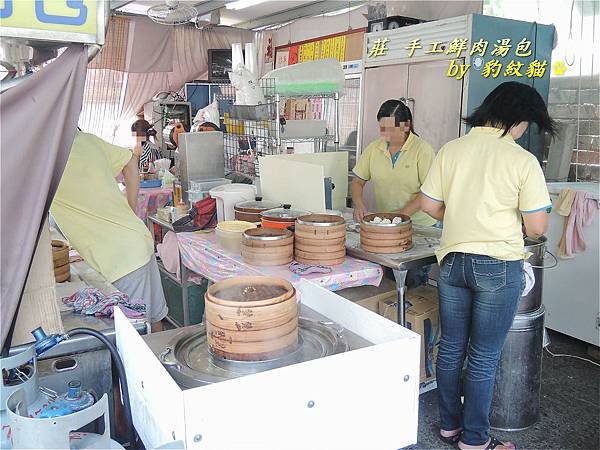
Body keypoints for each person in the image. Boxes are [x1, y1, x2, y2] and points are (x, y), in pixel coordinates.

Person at [419, 81, 557, 450]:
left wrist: (462, 215)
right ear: (517, 119)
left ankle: (450, 427)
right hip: (497, 266)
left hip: (451, 263)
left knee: (450, 348)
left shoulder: (452, 149)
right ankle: (476, 440)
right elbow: (537, 227)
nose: (526, 130)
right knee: (482, 357)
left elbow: (429, 206)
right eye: (527, 122)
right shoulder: (521, 160)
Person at [51, 130, 168, 332]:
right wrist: (131, 209)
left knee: (134, 333)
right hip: (137, 240)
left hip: (119, 259)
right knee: (153, 322)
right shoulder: (87, 140)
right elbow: (131, 161)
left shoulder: (45, 159)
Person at [351, 99, 437, 227]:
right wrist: (358, 205)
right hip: (388, 222)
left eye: (391, 129)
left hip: (420, 225)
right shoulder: (374, 148)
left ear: (406, 125)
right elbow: (358, 181)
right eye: (382, 129)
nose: (386, 135)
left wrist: (399, 217)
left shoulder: (422, 150)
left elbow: (427, 192)